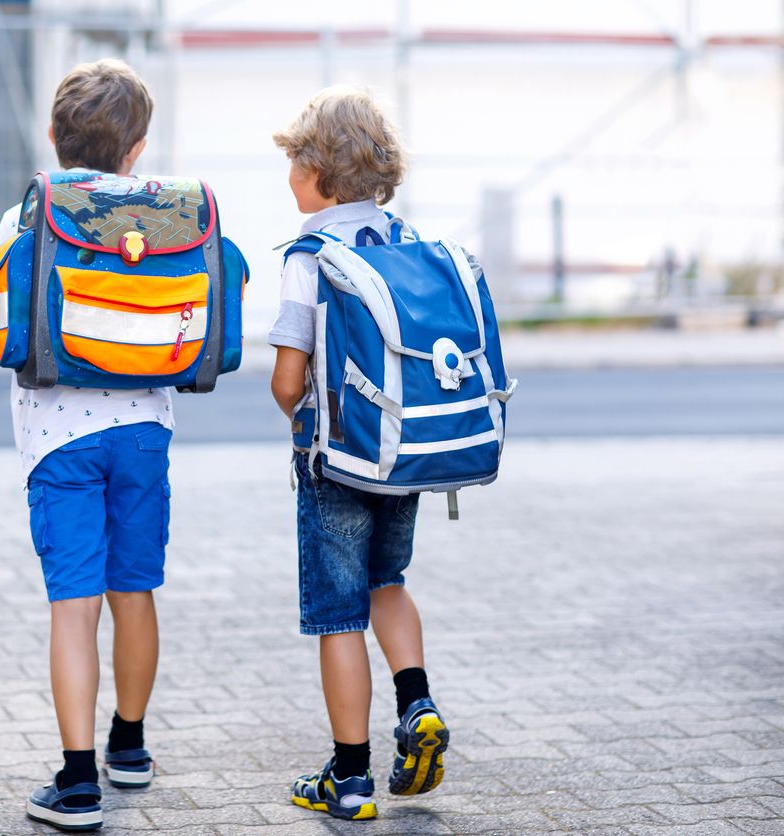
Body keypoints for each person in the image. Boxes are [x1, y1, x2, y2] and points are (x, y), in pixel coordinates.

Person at [0, 59, 170, 833]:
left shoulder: (28, 216)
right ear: (138, 150)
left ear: (54, 138)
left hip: (58, 441)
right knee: (136, 591)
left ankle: (78, 780)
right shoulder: (164, 215)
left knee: (72, 608)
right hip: (145, 431)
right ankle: (129, 745)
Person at [268, 86, 450, 822]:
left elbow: (287, 379)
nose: (288, 179)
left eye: (292, 164)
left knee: (338, 614)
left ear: (321, 174)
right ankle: (419, 704)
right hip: (402, 457)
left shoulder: (309, 257)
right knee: (389, 581)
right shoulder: (404, 244)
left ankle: (348, 780)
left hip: (336, 462)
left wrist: (302, 418)